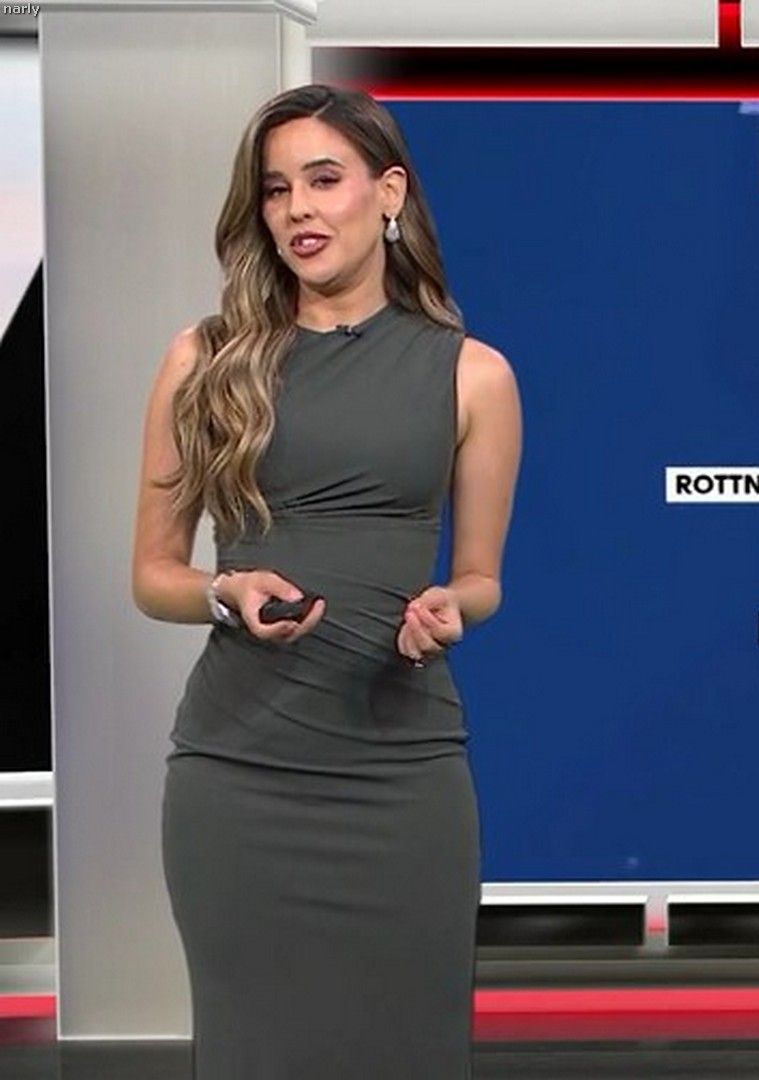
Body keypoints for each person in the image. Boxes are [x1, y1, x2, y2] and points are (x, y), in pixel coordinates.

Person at [130, 83, 521, 1078]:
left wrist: (453, 608)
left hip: (402, 775)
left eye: (323, 180)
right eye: (275, 189)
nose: (297, 209)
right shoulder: (205, 360)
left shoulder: (472, 374)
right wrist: (222, 592)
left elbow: (480, 579)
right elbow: (154, 575)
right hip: (239, 774)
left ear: (387, 193)